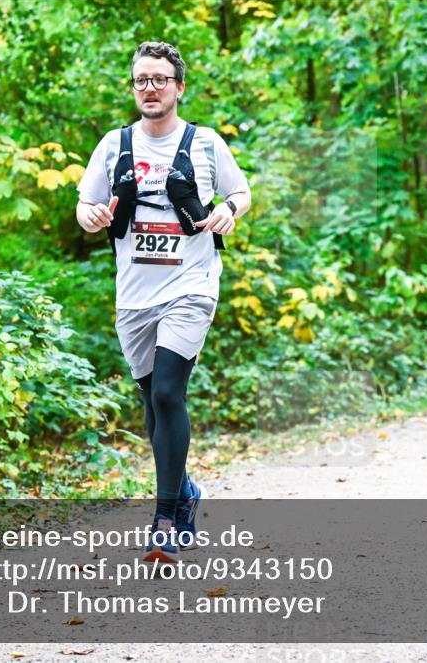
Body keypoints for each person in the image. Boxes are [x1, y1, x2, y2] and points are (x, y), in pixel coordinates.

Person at [74, 41, 252, 563]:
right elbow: (85, 203)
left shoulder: (206, 143)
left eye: (159, 79)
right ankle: (187, 490)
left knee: (170, 393)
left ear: (178, 87)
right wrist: (90, 216)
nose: (149, 88)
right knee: (153, 404)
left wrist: (229, 211)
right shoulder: (114, 144)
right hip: (134, 296)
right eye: (141, 80)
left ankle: (165, 520)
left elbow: (241, 193)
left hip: (191, 286)